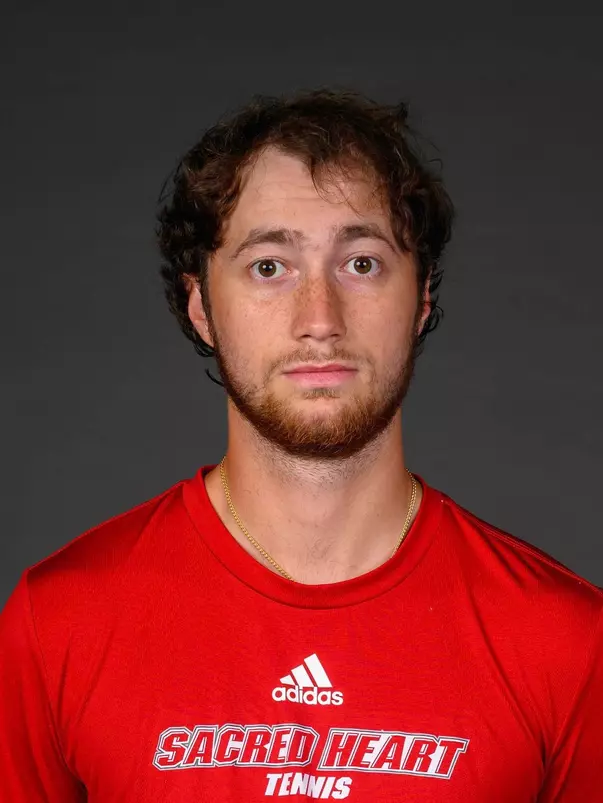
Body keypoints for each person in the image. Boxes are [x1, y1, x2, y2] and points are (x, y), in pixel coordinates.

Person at [0, 88, 601, 802]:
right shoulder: (58, 623)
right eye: (268, 266)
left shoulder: (566, 641)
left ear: (422, 299)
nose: (318, 318)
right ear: (201, 308)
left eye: (362, 263)